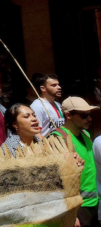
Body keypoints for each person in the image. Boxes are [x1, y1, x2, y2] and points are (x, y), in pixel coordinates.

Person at [52, 97, 100, 227]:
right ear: (68, 115)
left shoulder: (86, 134)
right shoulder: (58, 138)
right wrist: (70, 213)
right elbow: (55, 181)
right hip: (78, 207)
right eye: (84, 115)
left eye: (89, 115)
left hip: (94, 202)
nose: (89, 119)